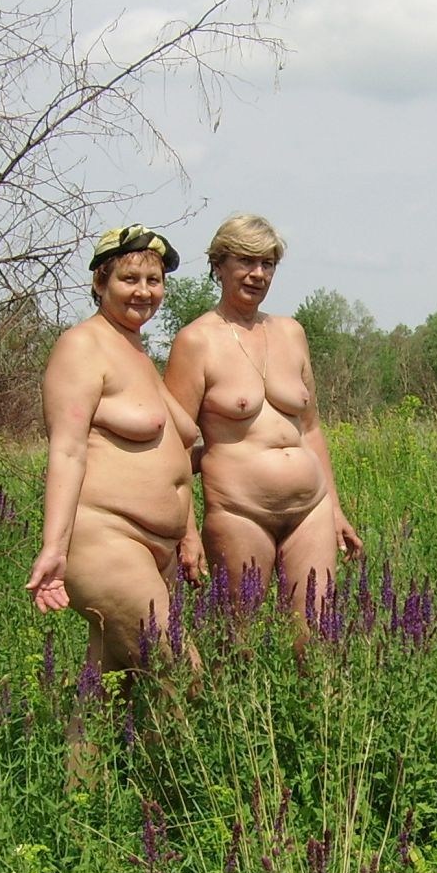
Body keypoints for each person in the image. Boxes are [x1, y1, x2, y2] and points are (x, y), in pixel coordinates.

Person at [25, 224, 203, 686]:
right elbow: (67, 450)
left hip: (154, 549)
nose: (144, 291)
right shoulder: (82, 346)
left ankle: (78, 738)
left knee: (110, 694)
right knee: (183, 679)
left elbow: (173, 453)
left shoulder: (136, 350)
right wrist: (54, 548)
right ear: (100, 282)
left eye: (154, 280)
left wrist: (187, 533)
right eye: (129, 279)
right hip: (107, 541)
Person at [164, 214, 361, 624]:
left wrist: (335, 509)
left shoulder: (291, 332)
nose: (257, 274)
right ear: (218, 265)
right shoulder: (195, 341)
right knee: (241, 637)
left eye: (267, 264)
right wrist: (187, 532)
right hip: (240, 512)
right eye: (246, 261)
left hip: (310, 510)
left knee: (316, 635)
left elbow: (311, 429)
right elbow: (175, 447)